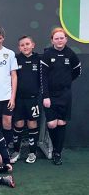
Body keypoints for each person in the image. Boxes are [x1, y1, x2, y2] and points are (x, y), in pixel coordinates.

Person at [40, 27, 81, 165]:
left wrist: (66, 81)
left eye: (61, 38)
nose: (59, 40)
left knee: (61, 123)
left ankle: (57, 153)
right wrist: (45, 96)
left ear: (66, 39)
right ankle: (55, 148)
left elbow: (77, 71)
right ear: (52, 40)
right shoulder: (47, 54)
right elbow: (43, 77)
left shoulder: (71, 54)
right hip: (50, 94)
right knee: (52, 124)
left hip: (65, 94)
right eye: (56, 38)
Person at [10, 36, 41, 164]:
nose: (25, 47)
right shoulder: (15, 59)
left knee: (32, 123)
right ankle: (16, 151)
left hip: (33, 99)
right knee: (19, 124)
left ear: (33, 45)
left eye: (27, 44)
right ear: (19, 48)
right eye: (22, 45)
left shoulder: (38, 59)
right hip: (18, 99)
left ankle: (32, 152)